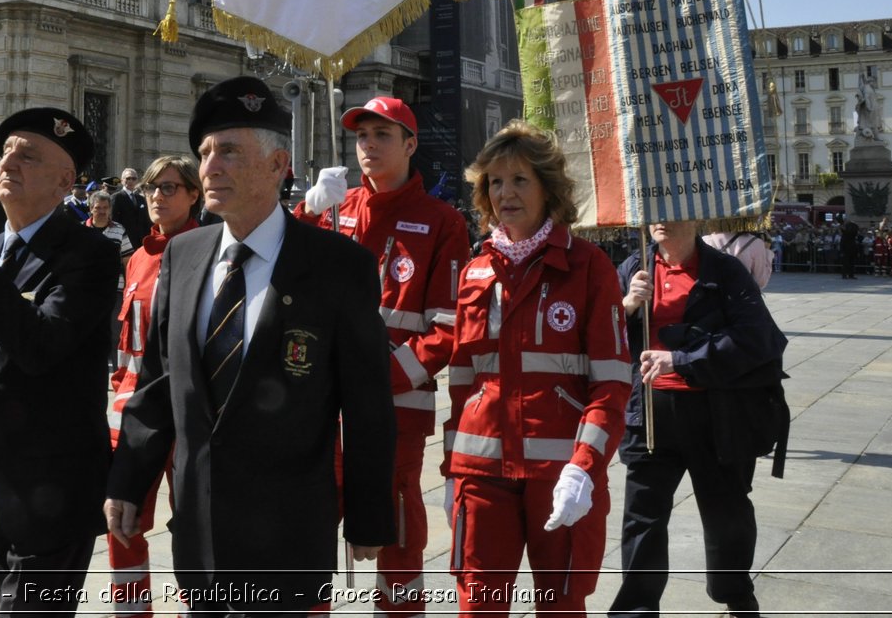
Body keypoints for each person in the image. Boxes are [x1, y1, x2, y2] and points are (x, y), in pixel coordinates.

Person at [106, 76, 396, 615]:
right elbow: (160, 380)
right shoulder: (184, 255)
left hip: (287, 536)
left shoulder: (337, 265)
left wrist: (369, 514)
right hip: (200, 533)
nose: (211, 167)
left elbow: (367, 404)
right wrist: (127, 481)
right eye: (206, 152)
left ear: (278, 164)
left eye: (230, 152)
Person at [440, 120, 630, 615]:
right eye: (495, 182)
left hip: (561, 476)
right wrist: (450, 472)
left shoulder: (590, 267)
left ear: (548, 187)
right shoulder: (476, 271)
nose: (505, 193)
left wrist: (585, 470)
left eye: (520, 179)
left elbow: (611, 384)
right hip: (481, 475)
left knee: (561, 607)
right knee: (478, 607)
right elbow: (461, 382)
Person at [0, 107, 117, 616]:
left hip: (53, 488)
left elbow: (42, 346)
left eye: (28, 155)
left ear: (65, 181)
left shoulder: (87, 253)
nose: (9, 162)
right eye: (7, 152)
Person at [296, 96, 468, 615]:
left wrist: (375, 378)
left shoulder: (443, 222)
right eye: (361, 136)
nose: (368, 145)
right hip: (324, 403)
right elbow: (285, 276)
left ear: (411, 145)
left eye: (382, 135)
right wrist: (306, 213)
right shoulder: (336, 209)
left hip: (397, 403)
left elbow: (446, 328)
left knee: (397, 528)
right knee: (311, 522)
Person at [609, 219, 787, 618]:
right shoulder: (634, 265)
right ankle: (635, 610)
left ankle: (735, 593)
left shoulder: (724, 270)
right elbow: (598, 336)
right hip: (649, 413)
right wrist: (626, 307)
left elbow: (758, 338)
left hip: (716, 413)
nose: (659, 220)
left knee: (727, 511)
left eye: (670, 210)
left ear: (693, 217)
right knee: (642, 518)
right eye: (652, 209)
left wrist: (681, 359)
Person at [104, 153, 201, 613]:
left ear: (194, 195)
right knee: (122, 522)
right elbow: (128, 346)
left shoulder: (209, 248)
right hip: (134, 414)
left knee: (192, 526)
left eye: (169, 188)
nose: (157, 197)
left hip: (186, 413)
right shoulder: (137, 258)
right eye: (150, 188)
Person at [702, 228, 773, 290]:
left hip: (711, 298)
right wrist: (767, 251)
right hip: (740, 299)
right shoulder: (755, 242)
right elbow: (761, 282)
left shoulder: (705, 240)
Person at [86, 191, 134, 262]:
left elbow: (127, 257)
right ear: (91, 209)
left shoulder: (120, 229)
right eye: (98, 208)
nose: (102, 211)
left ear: (110, 209)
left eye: (105, 207)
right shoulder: (80, 229)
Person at [111, 168, 151, 250]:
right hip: (125, 241)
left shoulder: (141, 198)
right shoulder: (117, 197)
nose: (131, 181)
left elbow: (146, 220)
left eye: (134, 179)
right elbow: (113, 219)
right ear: (122, 180)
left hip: (141, 241)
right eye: (128, 178)